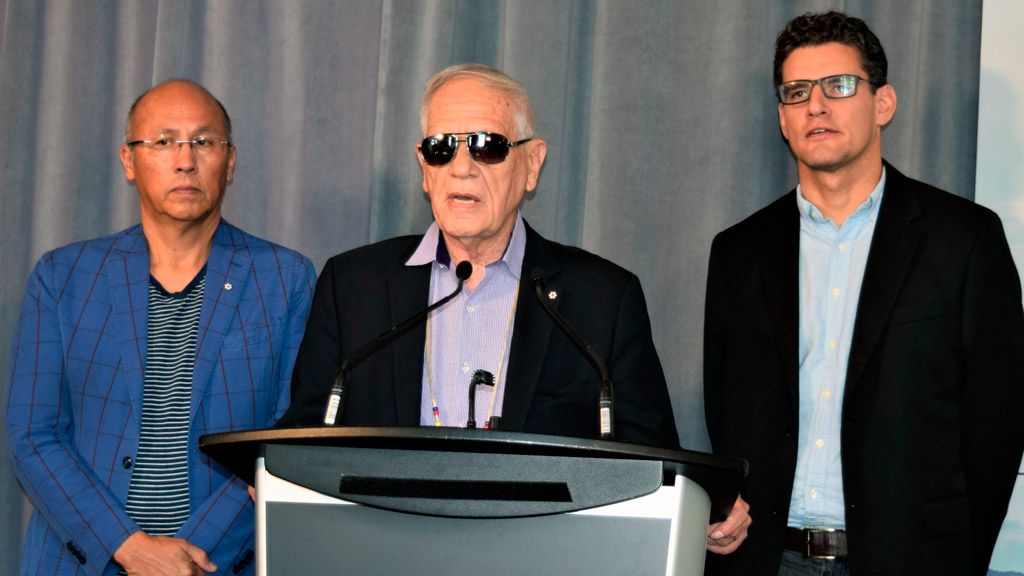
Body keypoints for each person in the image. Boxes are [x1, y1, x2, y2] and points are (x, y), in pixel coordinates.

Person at [278, 62, 749, 554]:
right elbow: (305, 437)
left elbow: (653, 460)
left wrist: (707, 508)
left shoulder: (601, 299)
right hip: (381, 553)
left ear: (532, 164)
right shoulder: (353, 285)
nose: (461, 167)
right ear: (423, 167)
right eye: (441, 149)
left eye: (487, 145)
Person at [703, 11, 1024, 576]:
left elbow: (997, 426)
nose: (816, 105)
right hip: (768, 561)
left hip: (912, 562)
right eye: (797, 92)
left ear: (883, 104)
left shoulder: (965, 240)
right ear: (782, 118)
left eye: (839, 86)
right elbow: (726, 409)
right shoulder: (737, 252)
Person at [5, 80, 316, 576]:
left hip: (219, 561)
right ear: (129, 161)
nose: (185, 160)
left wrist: (190, 555)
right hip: (80, 561)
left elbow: (288, 437)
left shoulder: (285, 277)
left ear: (230, 161)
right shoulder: (63, 276)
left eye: (203, 142)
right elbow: (33, 435)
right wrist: (128, 547)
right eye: (163, 141)